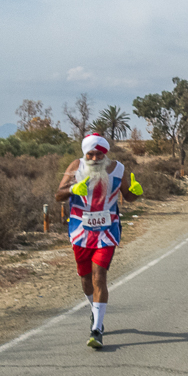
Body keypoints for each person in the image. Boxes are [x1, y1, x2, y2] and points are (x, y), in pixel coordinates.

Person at [55, 133, 142, 349]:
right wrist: (73, 189)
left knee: (99, 276)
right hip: (80, 230)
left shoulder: (118, 169)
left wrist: (136, 192)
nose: (95, 159)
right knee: (85, 279)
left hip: (107, 230)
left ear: (106, 153)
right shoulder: (76, 166)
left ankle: (97, 329)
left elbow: (128, 197)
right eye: (91, 154)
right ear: (85, 154)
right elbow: (58, 195)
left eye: (99, 154)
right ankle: (95, 311)